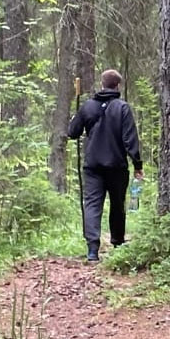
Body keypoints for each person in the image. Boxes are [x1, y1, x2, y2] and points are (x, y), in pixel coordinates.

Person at [68, 69, 143, 263]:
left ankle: (92, 250)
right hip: (117, 166)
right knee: (117, 205)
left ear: (102, 84)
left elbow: (72, 133)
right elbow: (130, 139)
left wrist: (76, 118)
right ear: (117, 86)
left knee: (92, 204)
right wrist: (137, 163)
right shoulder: (123, 108)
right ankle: (117, 241)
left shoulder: (88, 106)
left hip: (92, 166)